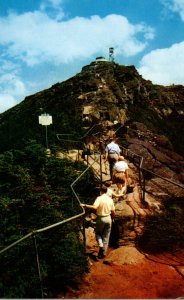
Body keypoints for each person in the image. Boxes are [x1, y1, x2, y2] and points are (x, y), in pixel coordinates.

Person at [81, 185, 115, 259]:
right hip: (108, 218)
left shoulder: (99, 198)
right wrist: (112, 218)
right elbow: (113, 211)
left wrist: (85, 205)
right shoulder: (110, 199)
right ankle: (102, 254)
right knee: (106, 236)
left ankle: (100, 245)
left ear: (101, 191)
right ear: (106, 191)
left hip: (101, 218)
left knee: (98, 233)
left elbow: (95, 207)